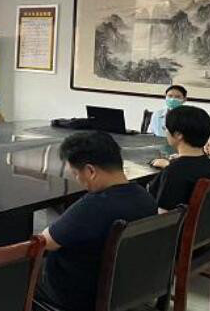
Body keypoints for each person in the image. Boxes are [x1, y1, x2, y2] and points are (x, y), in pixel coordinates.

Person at [33, 131, 157, 311]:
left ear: (90, 171)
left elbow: (45, 242)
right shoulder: (146, 198)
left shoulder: (94, 206)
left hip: (80, 296)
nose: (77, 180)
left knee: (18, 277)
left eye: (75, 174)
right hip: (127, 288)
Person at [148, 106, 210, 212]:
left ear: (178, 135)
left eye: (166, 128)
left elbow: (163, 215)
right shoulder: (207, 163)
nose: (165, 131)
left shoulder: (173, 172)